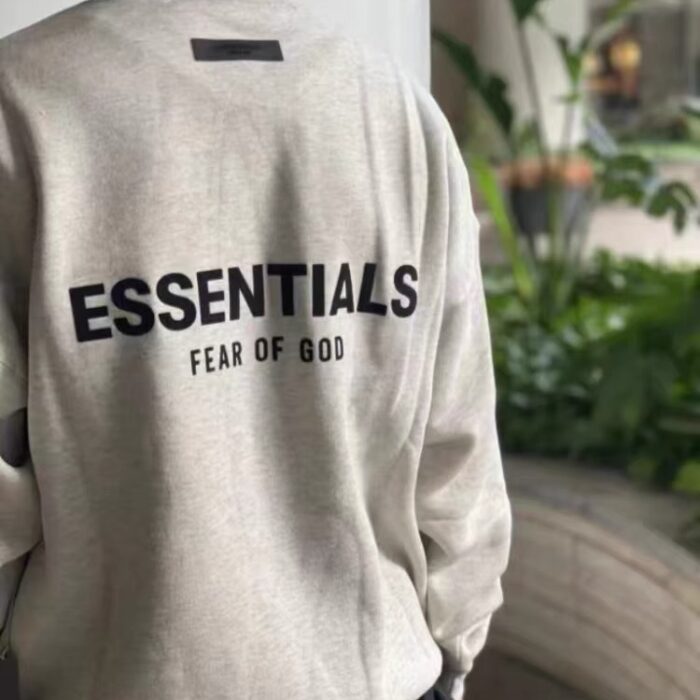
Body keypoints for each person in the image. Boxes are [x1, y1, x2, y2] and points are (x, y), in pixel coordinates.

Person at [0, 1, 513, 699]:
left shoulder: (22, 100)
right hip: (375, 676)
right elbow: (459, 458)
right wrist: (455, 648)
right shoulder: (399, 111)